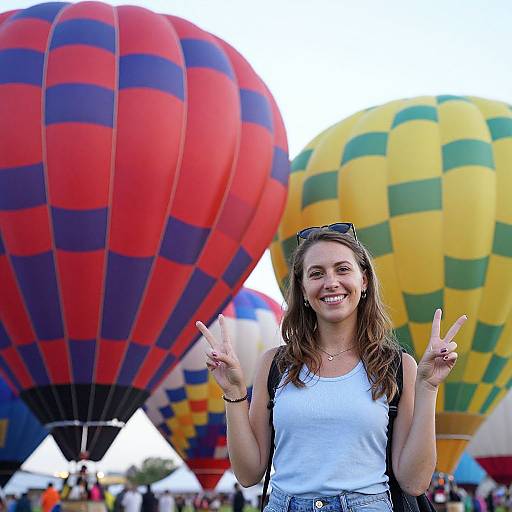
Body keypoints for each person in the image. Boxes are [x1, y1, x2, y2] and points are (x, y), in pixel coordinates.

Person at [197, 224, 467, 512]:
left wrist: (428, 387)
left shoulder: (398, 366)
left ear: (363, 280)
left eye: (342, 269)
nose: (331, 282)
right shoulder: (275, 364)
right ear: (302, 289)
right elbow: (248, 473)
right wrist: (234, 393)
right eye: (317, 273)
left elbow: (414, 482)